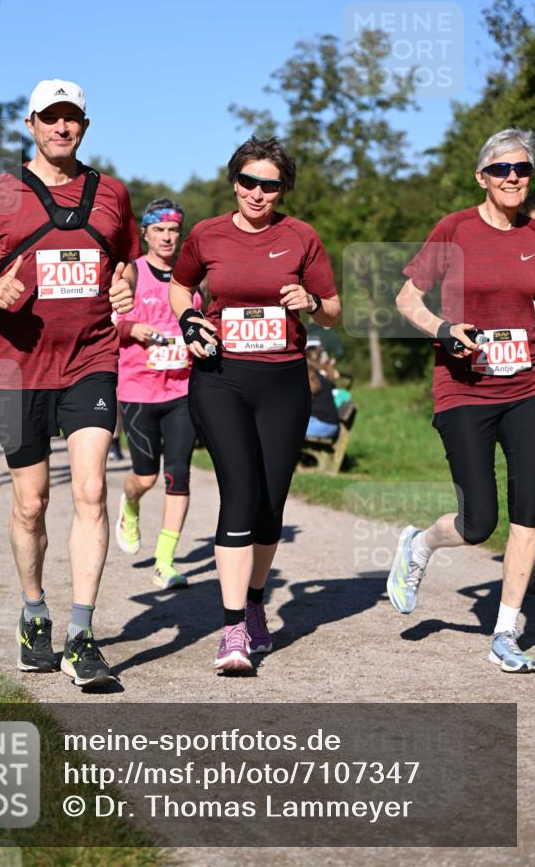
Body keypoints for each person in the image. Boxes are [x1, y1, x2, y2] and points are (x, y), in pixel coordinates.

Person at [0, 78, 140, 689]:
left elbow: (124, 262)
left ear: (85, 126)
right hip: (17, 366)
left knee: (92, 489)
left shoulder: (112, 193)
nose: (61, 127)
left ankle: (82, 635)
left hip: (91, 359)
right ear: (31, 125)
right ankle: (33, 613)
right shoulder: (0, 193)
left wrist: (124, 286)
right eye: (50, 117)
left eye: (71, 117)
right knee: (31, 502)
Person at [169, 136, 341, 671]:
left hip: (283, 381)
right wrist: (189, 319)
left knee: (270, 507)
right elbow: (180, 286)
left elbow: (334, 311)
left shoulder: (301, 237)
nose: (258, 193)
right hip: (220, 377)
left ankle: (253, 603)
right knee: (239, 494)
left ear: (282, 189)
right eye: (248, 181)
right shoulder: (207, 234)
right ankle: (231, 631)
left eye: (270, 184)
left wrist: (312, 301)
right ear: (234, 182)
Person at [388, 127, 535, 673]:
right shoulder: (454, 229)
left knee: (530, 512)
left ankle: (505, 632)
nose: (512, 177)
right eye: (501, 169)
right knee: (478, 523)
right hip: (464, 390)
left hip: (528, 388)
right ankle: (420, 545)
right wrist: (443, 328)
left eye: (522, 168)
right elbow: (407, 298)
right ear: (482, 177)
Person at [115, 198, 202, 588]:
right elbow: (107, 318)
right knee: (145, 477)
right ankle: (130, 504)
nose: (167, 237)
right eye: (159, 230)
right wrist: (131, 328)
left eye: (173, 230)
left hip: (183, 389)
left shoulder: (192, 277)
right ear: (146, 233)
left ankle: (164, 562)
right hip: (138, 389)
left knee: (178, 475)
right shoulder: (132, 272)